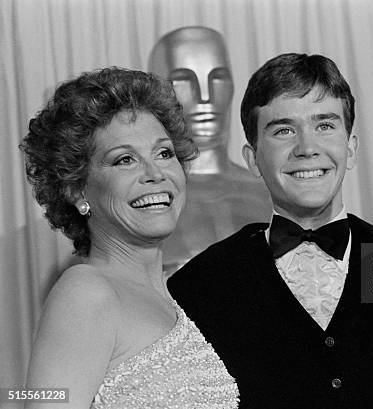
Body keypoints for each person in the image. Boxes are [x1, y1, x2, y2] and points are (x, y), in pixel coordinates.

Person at [168, 53, 373, 409]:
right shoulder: (200, 285)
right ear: (252, 158)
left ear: (350, 149)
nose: (307, 148)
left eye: (325, 125)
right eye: (284, 130)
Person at [21, 67, 239, 408]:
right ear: (77, 187)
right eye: (125, 160)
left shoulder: (174, 299)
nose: (154, 174)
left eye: (164, 153)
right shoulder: (87, 293)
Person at [149, 26, 271, 275]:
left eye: (217, 77)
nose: (205, 97)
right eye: (182, 79)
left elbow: (368, 294)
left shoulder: (275, 193)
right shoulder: (142, 201)